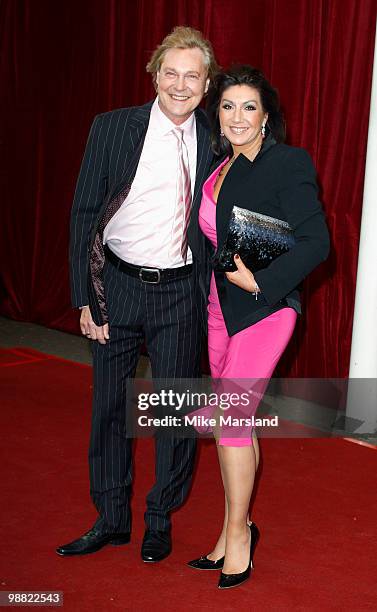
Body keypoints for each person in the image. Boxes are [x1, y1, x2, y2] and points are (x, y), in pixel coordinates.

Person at [56, 27, 219, 563]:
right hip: (117, 283)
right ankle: (111, 518)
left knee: (173, 414)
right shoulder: (113, 128)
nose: (180, 84)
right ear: (154, 76)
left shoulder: (219, 137)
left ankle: (158, 518)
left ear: (206, 83)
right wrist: (86, 296)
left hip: (181, 292)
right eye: (170, 72)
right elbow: (83, 212)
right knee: (109, 407)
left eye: (191, 75)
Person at [187, 65, 330, 589]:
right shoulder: (222, 167)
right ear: (217, 115)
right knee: (236, 425)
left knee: (230, 419)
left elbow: (316, 243)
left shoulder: (287, 162)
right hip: (221, 308)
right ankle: (235, 527)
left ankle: (238, 538)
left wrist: (260, 284)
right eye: (228, 106)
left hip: (265, 307)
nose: (238, 116)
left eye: (249, 106)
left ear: (267, 116)